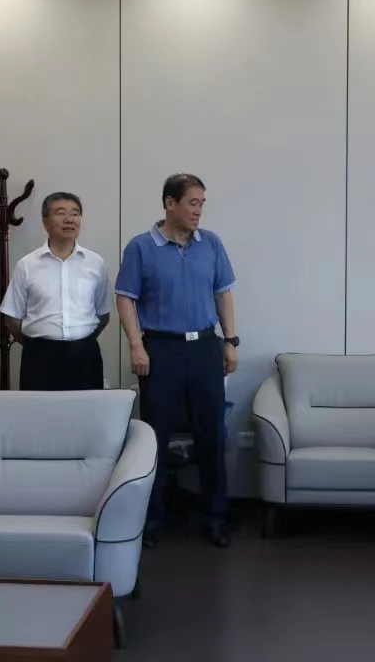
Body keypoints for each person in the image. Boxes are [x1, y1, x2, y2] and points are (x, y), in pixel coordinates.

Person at [115, 173, 238, 549]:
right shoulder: (141, 247)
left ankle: (216, 517)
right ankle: (152, 518)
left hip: (204, 348)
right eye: (192, 203)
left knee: (211, 434)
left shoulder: (211, 243)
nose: (198, 211)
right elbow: (125, 298)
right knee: (155, 436)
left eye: (202, 204)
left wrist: (230, 341)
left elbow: (223, 294)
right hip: (161, 349)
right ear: (170, 203)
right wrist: (136, 346)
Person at [0, 192, 110, 391]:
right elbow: (11, 317)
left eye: (75, 213)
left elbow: (103, 315)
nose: (69, 219)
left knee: (86, 409)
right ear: (45, 222)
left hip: (85, 354)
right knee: (39, 410)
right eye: (61, 213)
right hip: (40, 356)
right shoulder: (27, 264)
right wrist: (37, 342)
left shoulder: (95, 263)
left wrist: (81, 341)